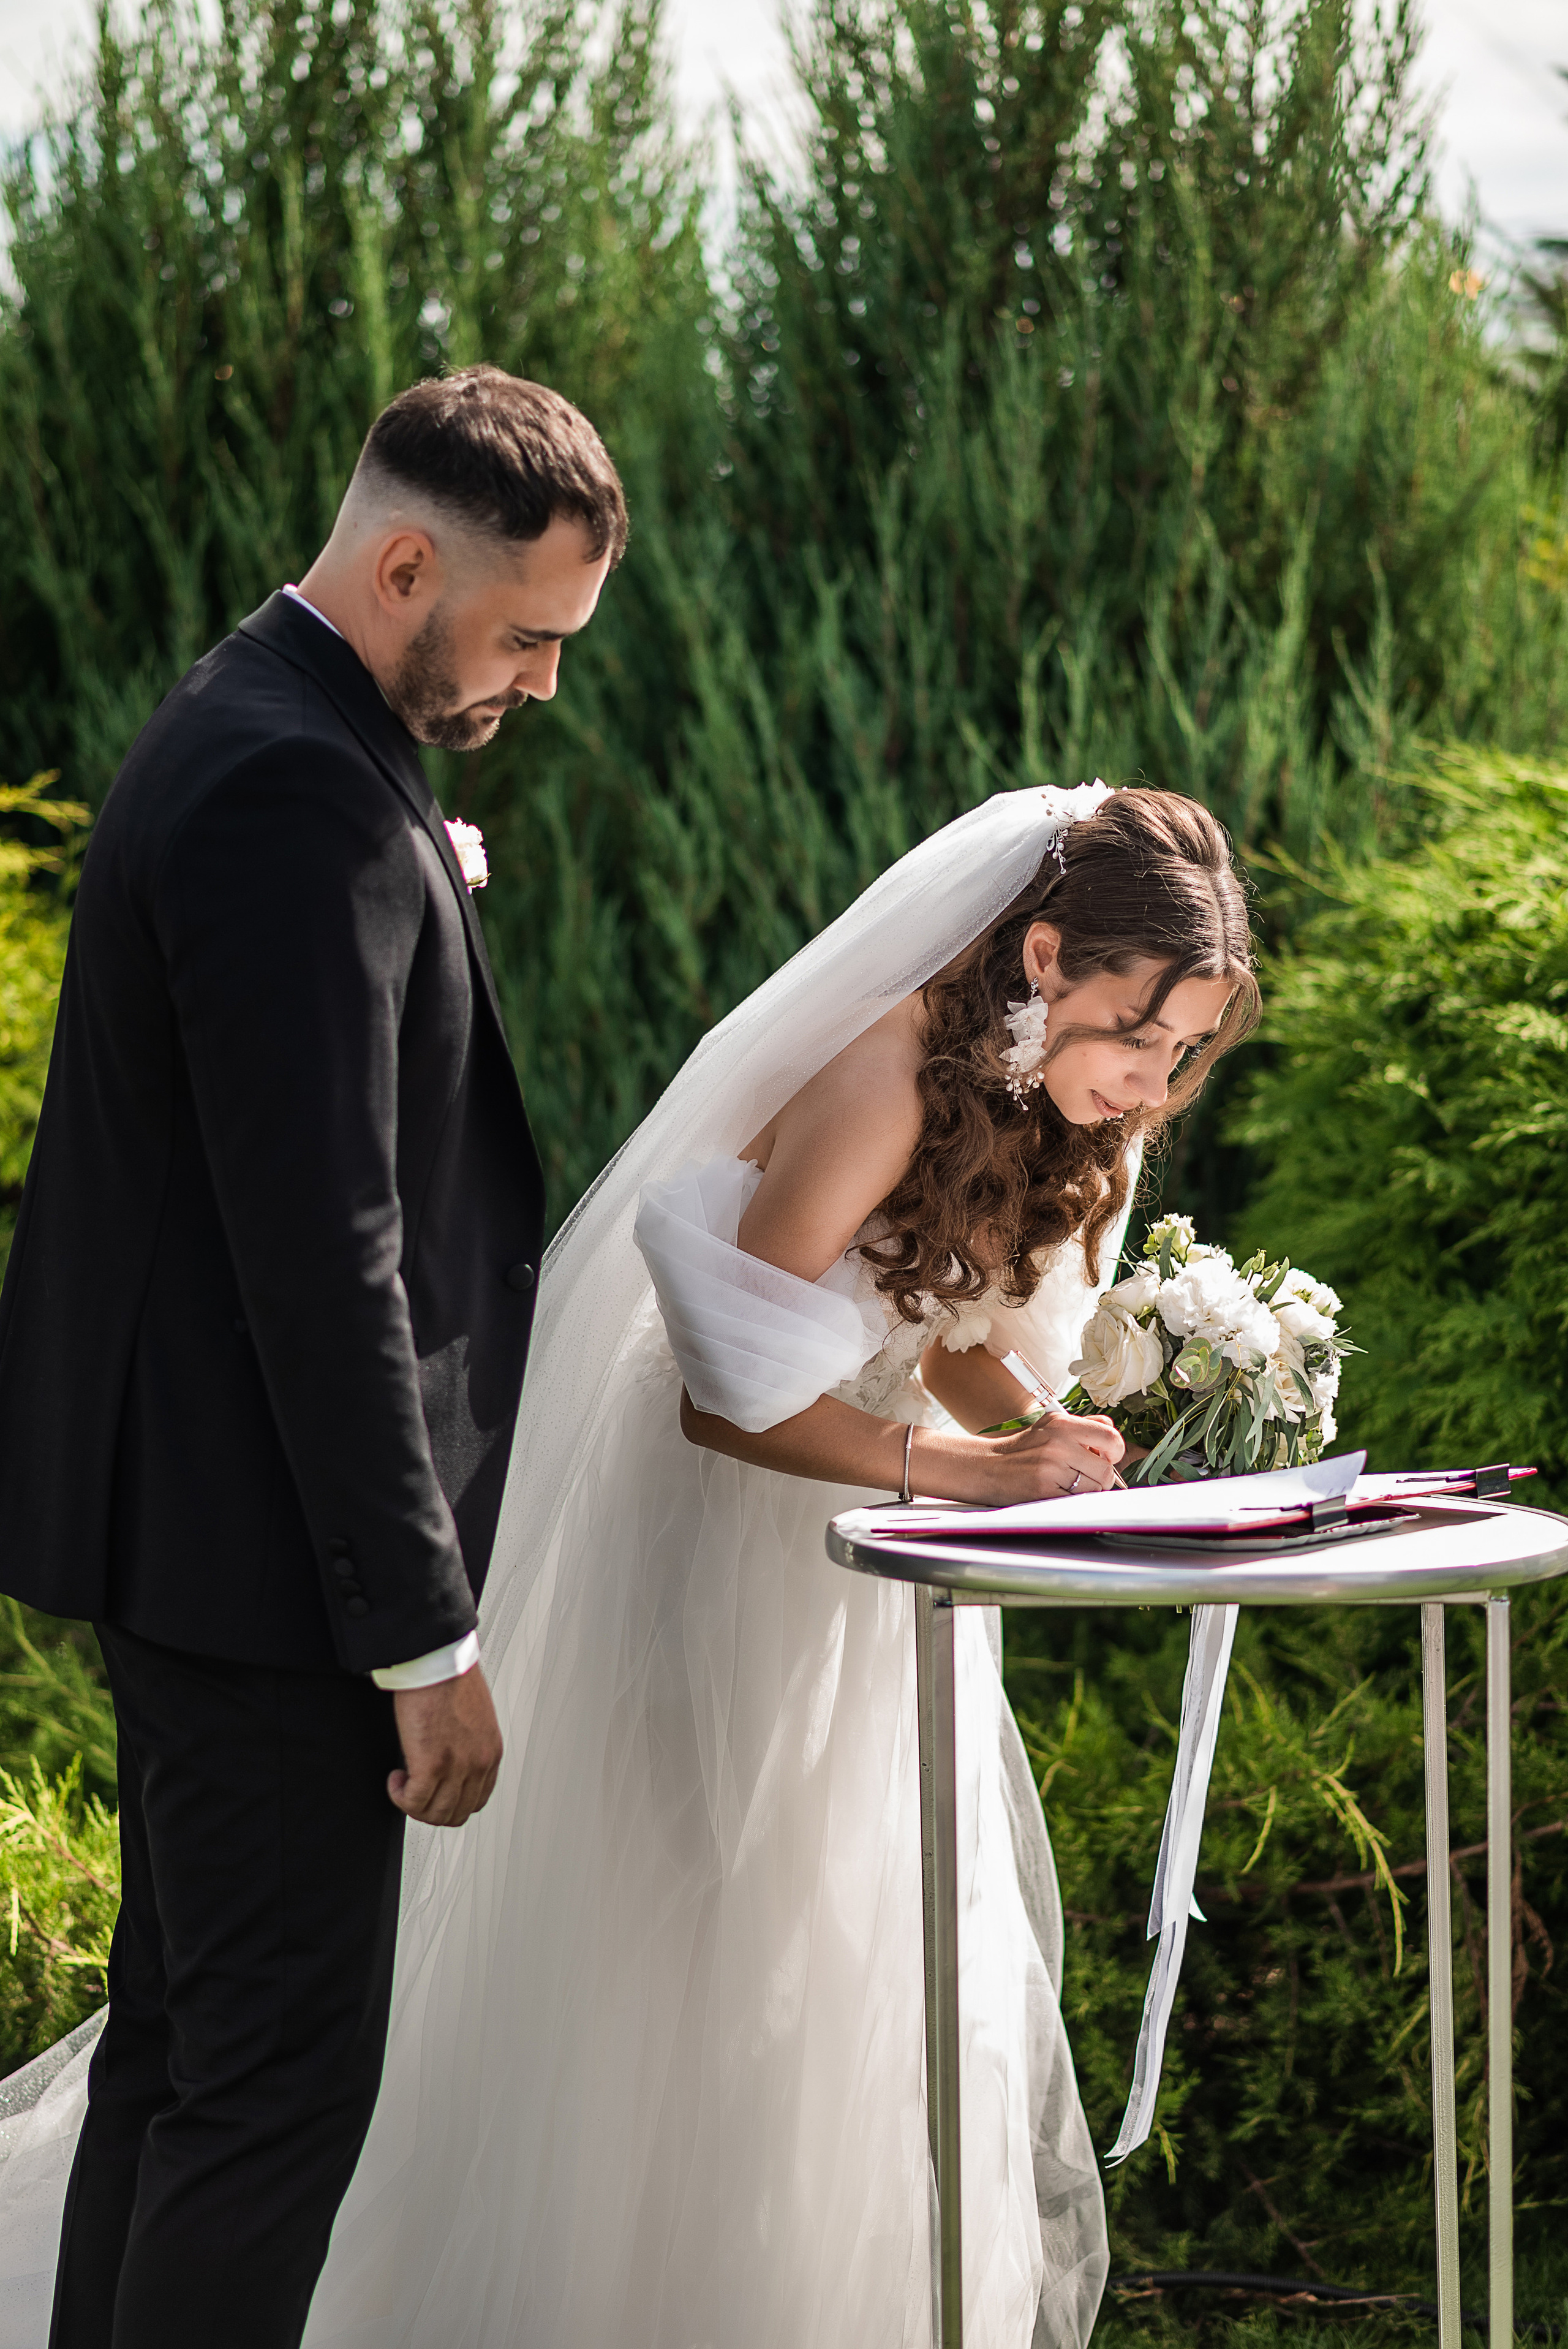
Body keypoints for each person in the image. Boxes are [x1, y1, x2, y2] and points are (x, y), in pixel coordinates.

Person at [288, 781, 1257, 2345]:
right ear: (1042, 955)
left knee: (862, 1939)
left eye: (1182, 1055)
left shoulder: (1062, 1101)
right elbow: (728, 1398)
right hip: (717, 1543)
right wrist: (974, 1472)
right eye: (1135, 1037)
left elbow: (937, 1337)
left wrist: (1051, 1438)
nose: (1152, 1082)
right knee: (698, 1932)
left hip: (876, 1562)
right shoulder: (880, 1079)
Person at [0, 366, 626, 2347]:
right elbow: (326, 1248)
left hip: (196, 1537)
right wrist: (422, 1637)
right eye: (527, 637)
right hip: (271, 1570)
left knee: (186, 2063)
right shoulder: (295, 784)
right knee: (272, 2101)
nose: (537, 687)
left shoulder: (266, 722)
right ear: (410, 559)